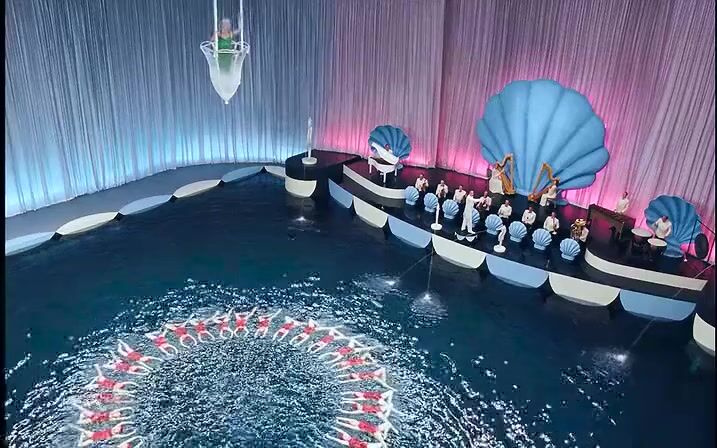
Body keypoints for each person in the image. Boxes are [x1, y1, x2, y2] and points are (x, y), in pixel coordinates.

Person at [68, 422, 137, 447]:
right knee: (82, 430)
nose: (116, 429)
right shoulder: (112, 429)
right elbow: (121, 423)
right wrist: (130, 423)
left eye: (118, 430)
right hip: (94, 434)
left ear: (118, 432)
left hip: (94, 440)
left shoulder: (115, 435)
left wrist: (133, 433)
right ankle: (70, 425)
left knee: (80, 445)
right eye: (117, 428)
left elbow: (125, 435)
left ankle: (81, 437)